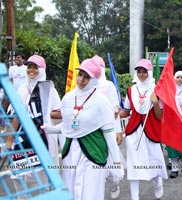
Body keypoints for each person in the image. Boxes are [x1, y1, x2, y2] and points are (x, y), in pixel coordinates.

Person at [44, 56, 124, 200]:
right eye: (80, 74)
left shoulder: (101, 101)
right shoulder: (68, 98)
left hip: (93, 152)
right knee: (72, 191)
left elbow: (108, 133)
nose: (81, 80)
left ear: (93, 80)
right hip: (70, 152)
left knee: (90, 193)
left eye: (86, 77)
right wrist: (52, 129)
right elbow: (70, 125)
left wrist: (117, 163)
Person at [5, 55, 61, 199]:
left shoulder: (49, 89)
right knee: (18, 173)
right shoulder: (23, 89)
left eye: (35, 67)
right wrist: (10, 140)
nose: (31, 70)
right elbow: (17, 116)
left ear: (42, 70)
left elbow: (58, 113)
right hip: (24, 137)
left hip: (44, 137)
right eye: (29, 67)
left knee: (43, 174)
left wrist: (45, 114)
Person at [119, 59, 167, 200]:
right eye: (139, 71)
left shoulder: (157, 90)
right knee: (134, 164)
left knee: (154, 160)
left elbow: (159, 116)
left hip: (151, 131)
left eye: (144, 71)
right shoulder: (131, 90)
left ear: (149, 72)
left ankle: (157, 182)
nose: (141, 74)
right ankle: (135, 196)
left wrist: (156, 102)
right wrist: (114, 114)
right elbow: (126, 111)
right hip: (134, 132)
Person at [95, 55, 124, 199]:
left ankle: (114, 184)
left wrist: (119, 131)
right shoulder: (86, 84)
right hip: (91, 132)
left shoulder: (108, 86)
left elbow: (115, 111)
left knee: (110, 164)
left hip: (107, 130)